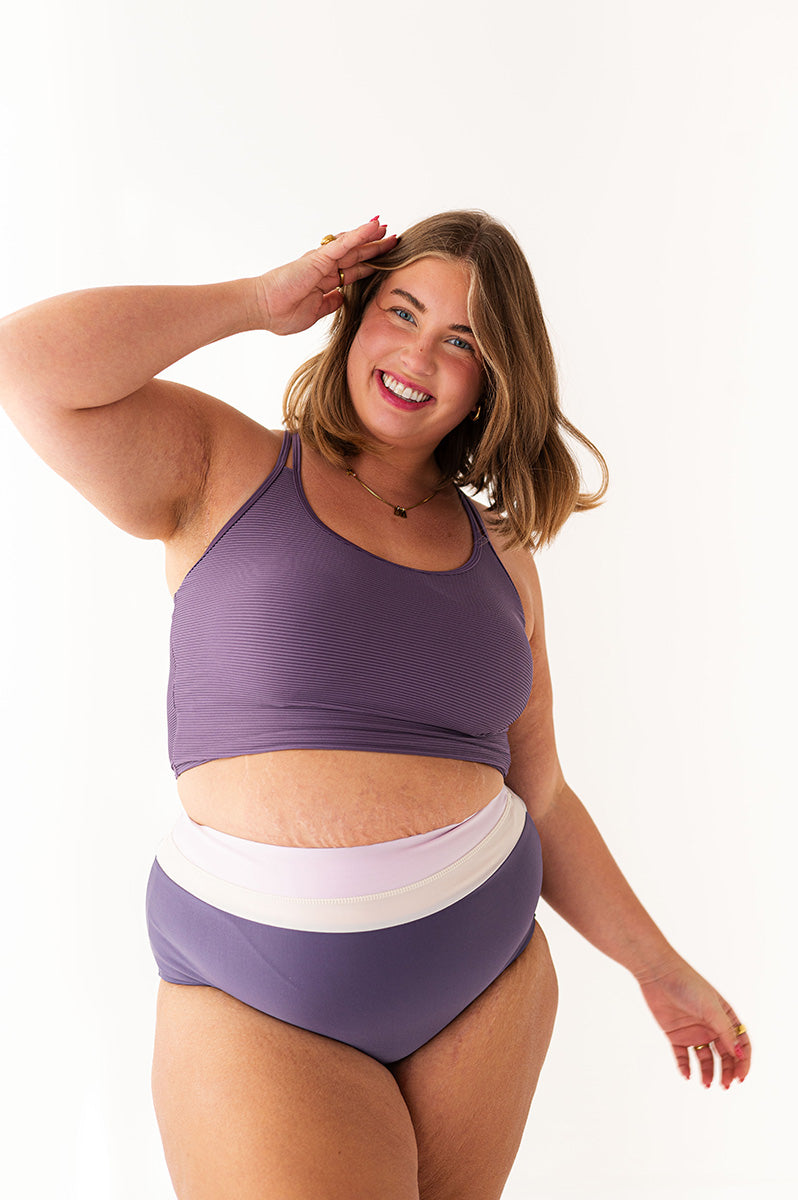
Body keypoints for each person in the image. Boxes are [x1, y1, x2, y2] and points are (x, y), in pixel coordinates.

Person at [0, 212, 750, 1200]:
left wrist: (660, 969)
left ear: (494, 380)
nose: (419, 355)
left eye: (462, 341)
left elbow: (544, 794)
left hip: (481, 984)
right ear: (353, 318)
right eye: (402, 312)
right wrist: (257, 300)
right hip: (257, 986)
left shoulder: (503, 556)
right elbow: (26, 364)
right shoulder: (223, 467)